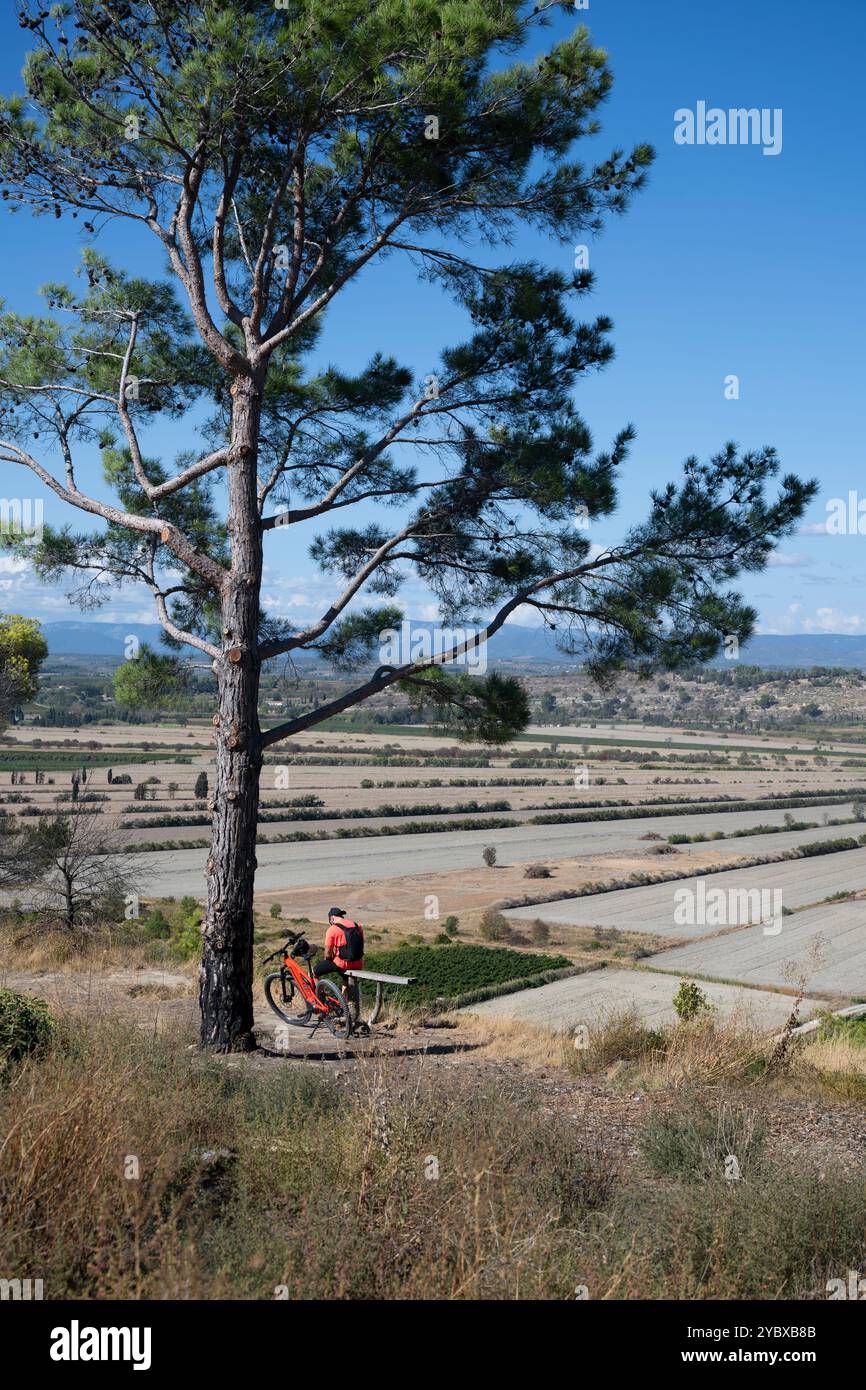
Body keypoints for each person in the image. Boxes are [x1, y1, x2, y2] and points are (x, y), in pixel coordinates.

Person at [313, 908, 365, 1020]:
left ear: (331, 918)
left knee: (314, 972)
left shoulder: (332, 929)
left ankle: (321, 1000)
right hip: (358, 963)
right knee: (345, 980)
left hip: (342, 964)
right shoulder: (357, 926)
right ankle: (343, 1005)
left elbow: (327, 954)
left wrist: (330, 958)